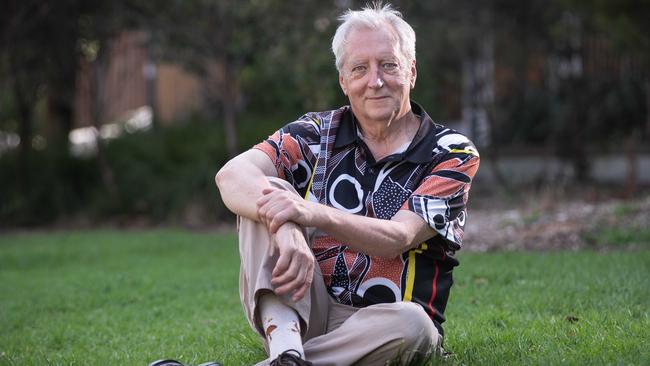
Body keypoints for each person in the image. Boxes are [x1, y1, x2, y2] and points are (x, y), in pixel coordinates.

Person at [215, 3, 480, 365]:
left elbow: (398, 238)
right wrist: (289, 229)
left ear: (412, 72)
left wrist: (311, 213)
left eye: (389, 65)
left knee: (416, 324)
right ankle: (287, 349)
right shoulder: (317, 132)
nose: (375, 81)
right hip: (304, 309)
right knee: (267, 194)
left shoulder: (450, 152)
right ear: (343, 81)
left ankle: (289, 361)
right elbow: (231, 175)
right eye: (360, 68)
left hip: (385, 325)